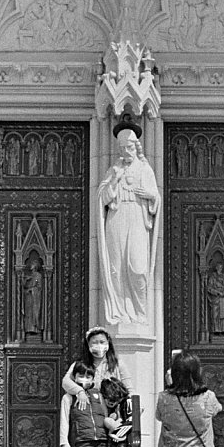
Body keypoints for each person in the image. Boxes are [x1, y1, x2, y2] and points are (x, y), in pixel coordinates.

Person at [62, 327, 133, 447]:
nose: (98, 347)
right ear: (88, 345)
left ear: (108, 344)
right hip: (89, 417)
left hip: (111, 417)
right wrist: (79, 391)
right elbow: (66, 382)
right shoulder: (82, 365)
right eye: (94, 342)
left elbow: (128, 389)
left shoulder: (116, 364)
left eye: (102, 342)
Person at [97, 116, 160, 325]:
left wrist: (150, 195)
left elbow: (156, 199)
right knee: (116, 268)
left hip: (138, 219)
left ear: (136, 147)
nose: (126, 151)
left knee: (138, 268)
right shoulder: (114, 170)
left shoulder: (145, 170)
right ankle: (120, 314)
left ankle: (140, 315)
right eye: (122, 147)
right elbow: (102, 198)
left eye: (129, 146)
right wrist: (114, 179)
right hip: (116, 219)